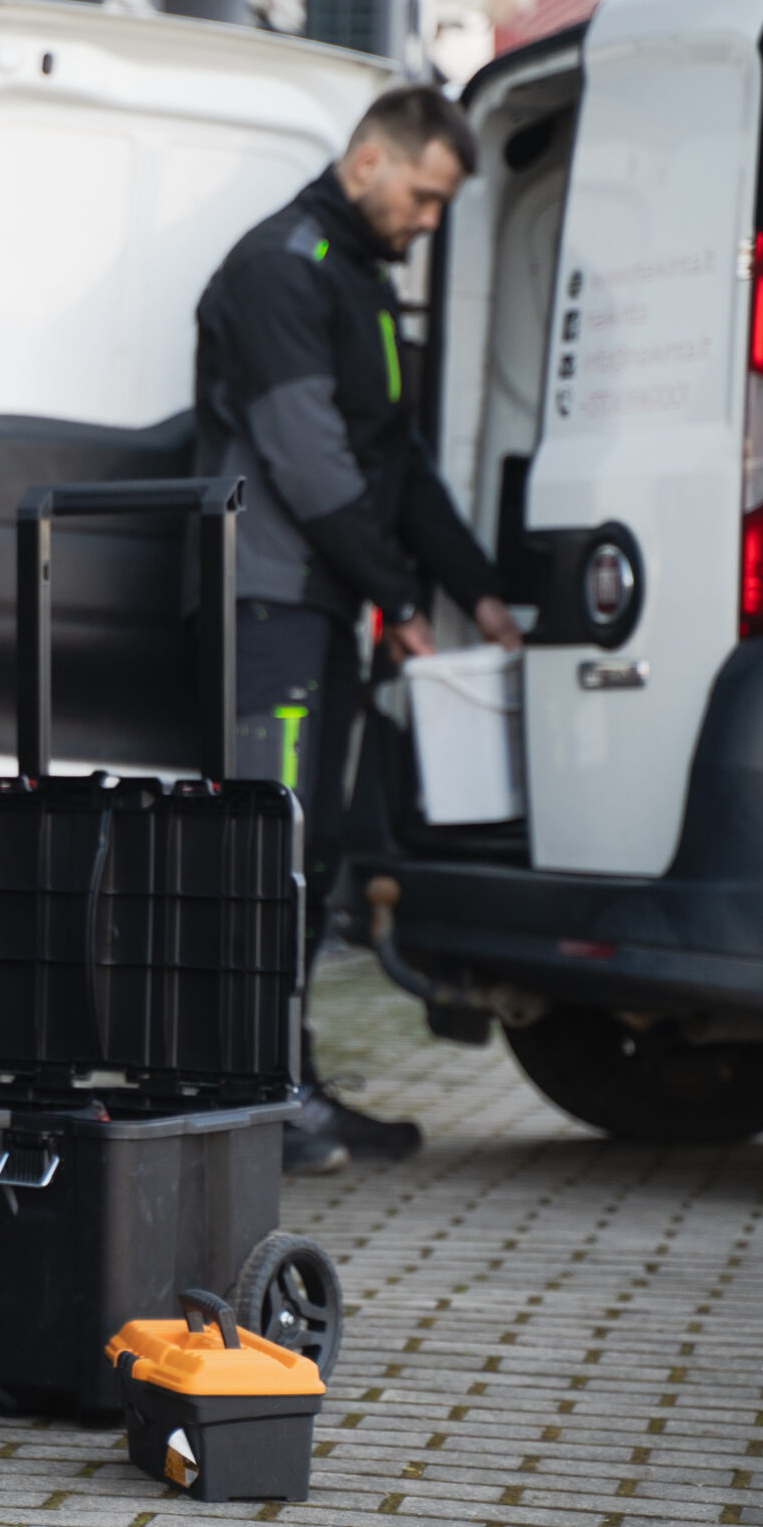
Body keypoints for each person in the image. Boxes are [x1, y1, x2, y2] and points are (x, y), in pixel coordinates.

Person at [193, 86, 521, 1173]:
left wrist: (474, 590)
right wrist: (395, 595)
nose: (428, 221)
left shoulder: (363, 284)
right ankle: (247, 1101)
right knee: (263, 849)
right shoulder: (277, 268)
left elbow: (395, 462)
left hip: (322, 602)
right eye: (423, 196)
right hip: (264, 598)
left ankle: (288, 1088)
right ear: (370, 159)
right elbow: (306, 455)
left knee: (311, 849)